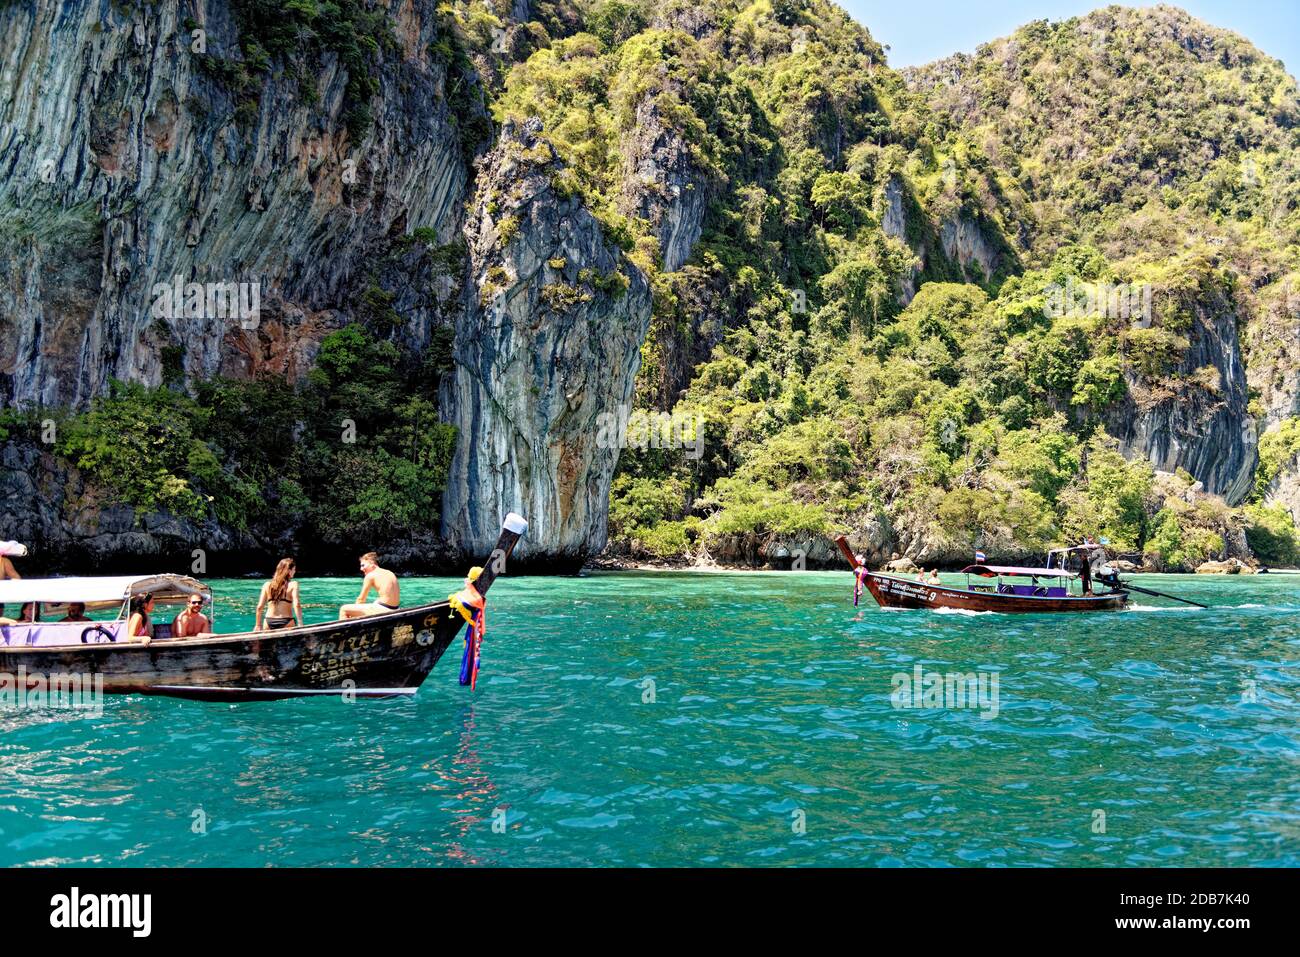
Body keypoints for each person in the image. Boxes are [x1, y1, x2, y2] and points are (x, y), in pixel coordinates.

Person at [338, 551, 400, 619]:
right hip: (396, 609)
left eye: (363, 565)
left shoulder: (370, 575)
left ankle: (345, 629)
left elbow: (361, 599)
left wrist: (353, 613)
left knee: (344, 609)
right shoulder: (389, 572)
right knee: (375, 602)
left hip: (385, 609)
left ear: (371, 563)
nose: (361, 569)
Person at [255, 558, 302, 631]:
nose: (295, 572)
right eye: (294, 569)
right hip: (287, 621)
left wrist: (258, 625)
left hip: (268, 622)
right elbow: (297, 605)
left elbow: (259, 607)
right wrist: (300, 623)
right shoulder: (293, 584)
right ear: (289, 571)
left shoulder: (267, 585)